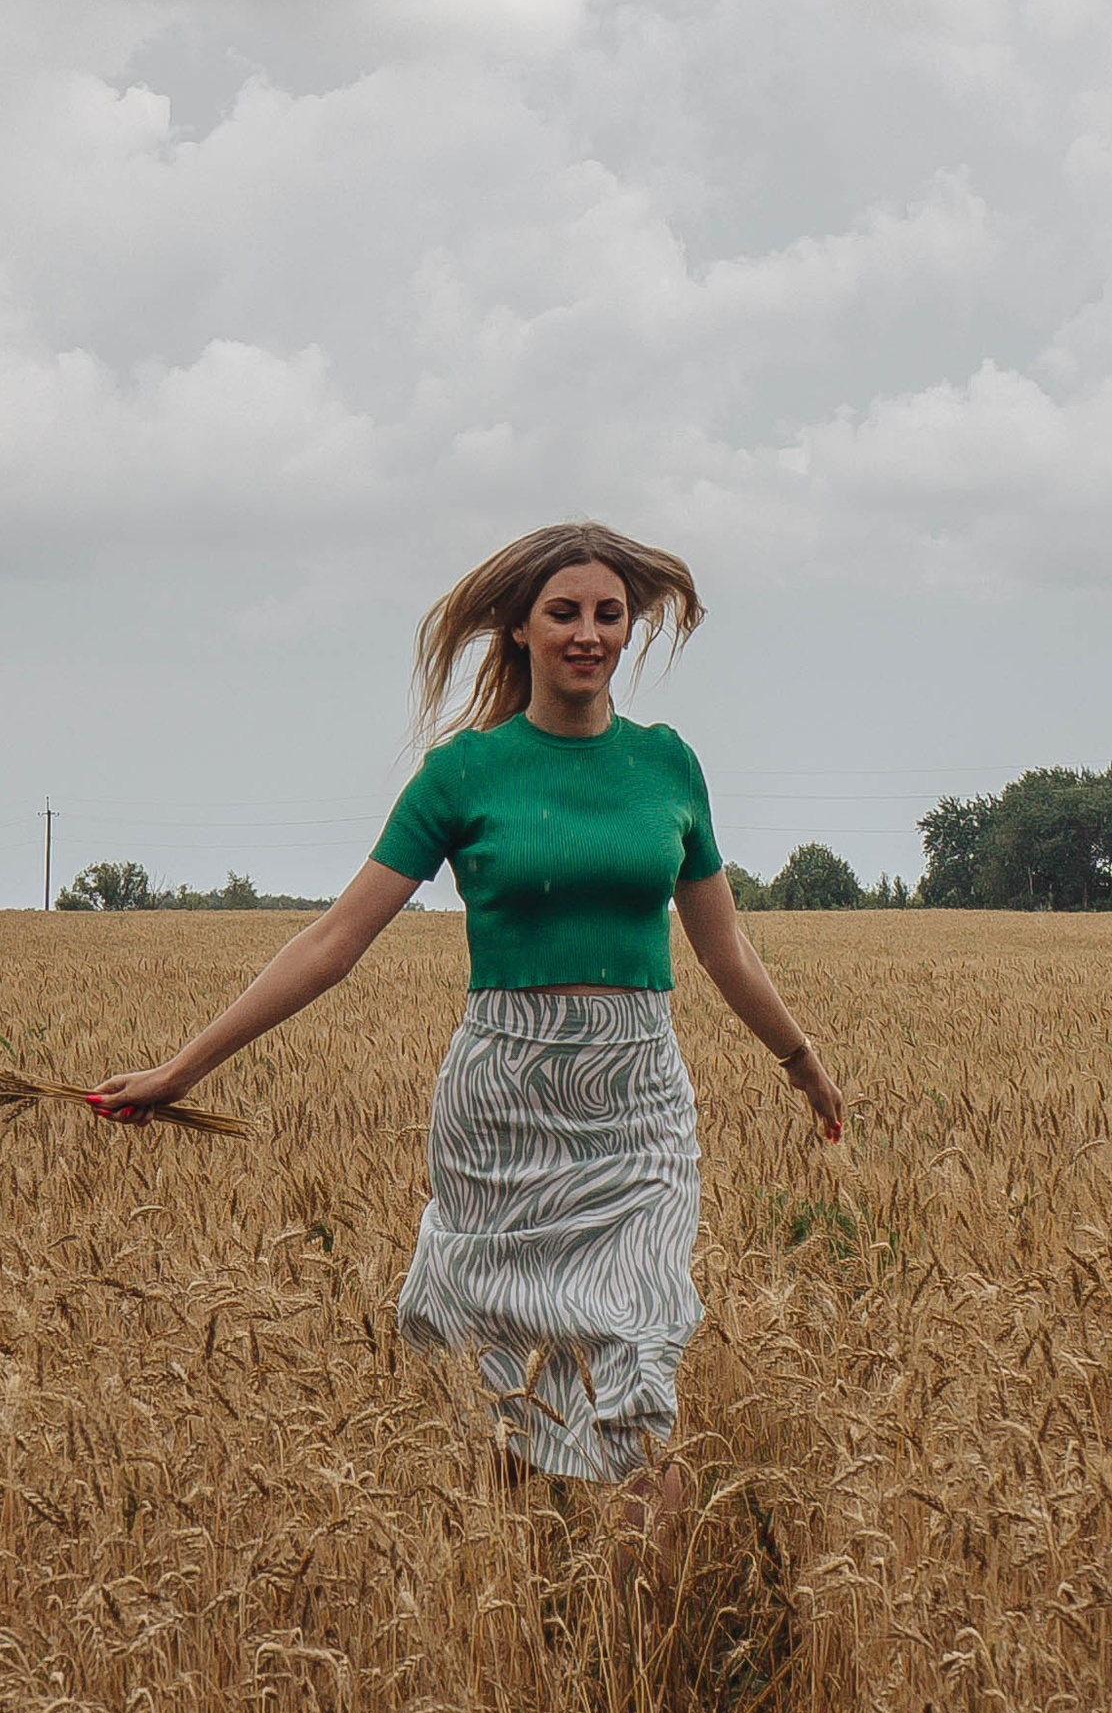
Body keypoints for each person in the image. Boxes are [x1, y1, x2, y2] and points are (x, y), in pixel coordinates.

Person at [91, 523, 844, 1517]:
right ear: (517, 629)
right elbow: (332, 943)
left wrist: (801, 1063)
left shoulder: (668, 766)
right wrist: (180, 1072)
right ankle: (525, 1628)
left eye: (608, 615)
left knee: (639, 1375)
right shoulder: (464, 776)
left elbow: (724, 949)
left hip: (638, 1108)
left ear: (630, 628)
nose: (588, 633)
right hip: (503, 1107)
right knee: (509, 1395)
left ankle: (642, 1647)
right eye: (564, 613)